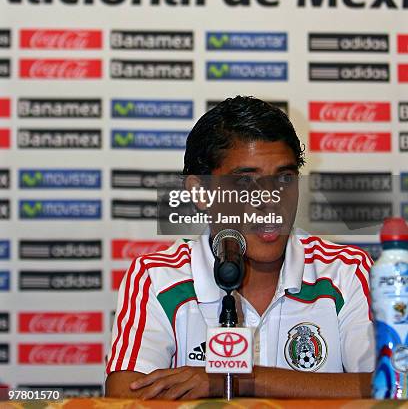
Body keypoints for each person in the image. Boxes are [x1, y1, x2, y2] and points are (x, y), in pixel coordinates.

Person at [105, 96, 374, 399]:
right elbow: (124, 399)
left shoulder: (346, 271)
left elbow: (390, 388)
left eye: (285, 178)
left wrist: (241, 381)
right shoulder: (157, 278)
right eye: (246, 182)